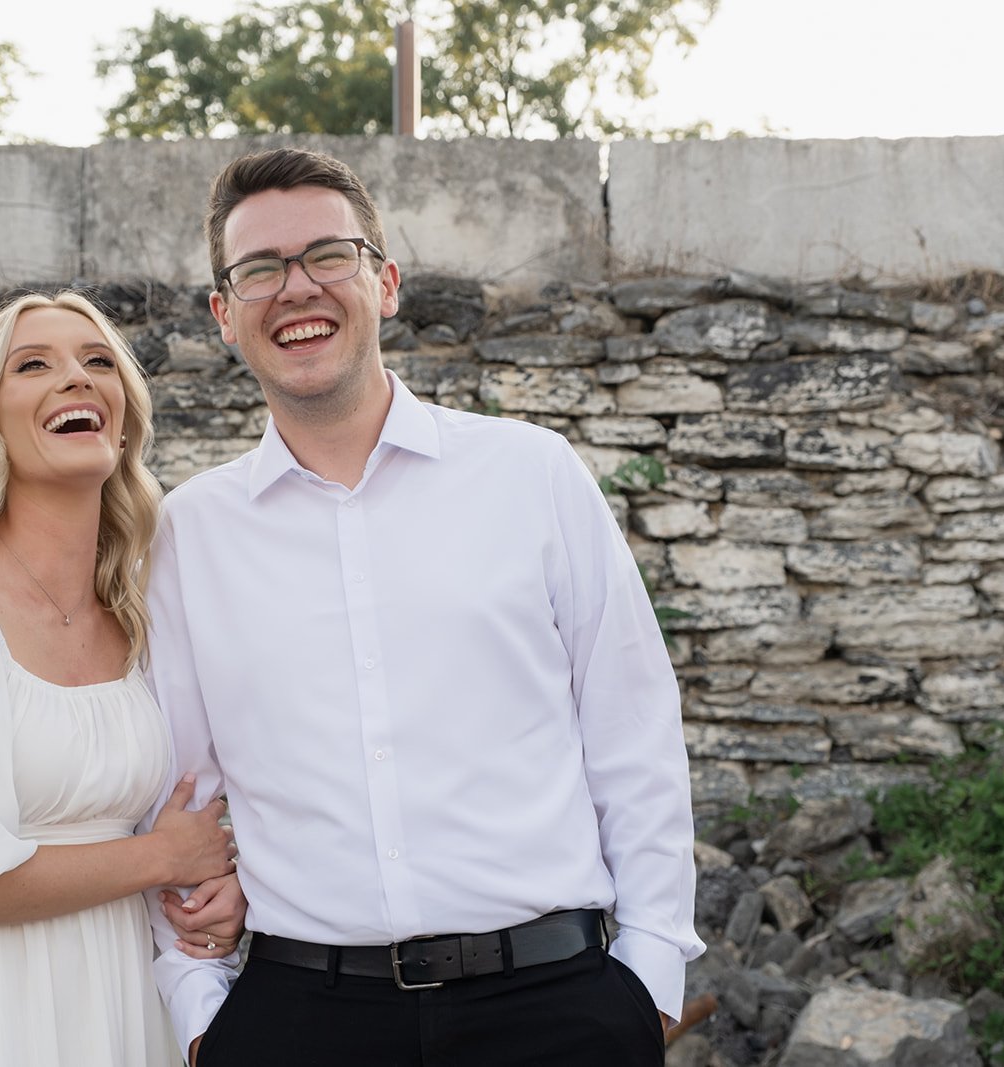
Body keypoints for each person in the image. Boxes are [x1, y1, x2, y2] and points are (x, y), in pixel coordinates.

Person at [143, 148, 705, 1066]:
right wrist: (201, 1015)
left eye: (330, 255)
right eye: (259, 269)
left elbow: (634, 733)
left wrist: (647, 980)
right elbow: (175, 792)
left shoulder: (532, 475)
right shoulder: (189, 532)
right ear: (224, 315)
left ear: (386, 282)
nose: (297, 288)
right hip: (299, 1021)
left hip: (557, 1011)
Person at [0, 290, 245, 1066]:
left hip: (130, 1000)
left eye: (98, 363)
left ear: (122, 420)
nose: (76, 379)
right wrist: (165, 858)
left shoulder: (145, 603)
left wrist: (229, 886)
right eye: (34, 365)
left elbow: (206, 798)